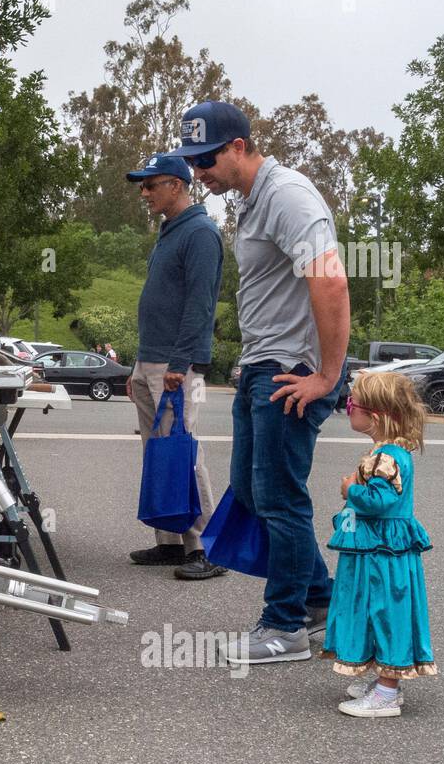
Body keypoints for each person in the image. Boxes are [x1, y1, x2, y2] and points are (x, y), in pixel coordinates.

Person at [166, 101, 351, 663]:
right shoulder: (252, 202)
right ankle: (321, 600)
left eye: (205, 159)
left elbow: (332, 281)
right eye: (192, 161)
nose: (198, 172)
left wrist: (326, 375)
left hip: (290, 370)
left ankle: (285, 624)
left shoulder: (287, 195)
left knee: (280, 498)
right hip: (261, 366)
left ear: (239, 147)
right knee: (252, 492)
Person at [123, 153, 225, 580]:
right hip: (151, 359)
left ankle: (206, 548)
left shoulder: (201, 233)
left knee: (184, 452)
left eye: (151, 185)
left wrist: (179, 364)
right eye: (143, 186)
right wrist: (137, 364)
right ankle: (170, 542)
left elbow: (199, 306)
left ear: (177, 186)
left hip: (175, 365)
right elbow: (159, 306)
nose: (144, 193)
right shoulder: (170, 232)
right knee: (157, 453)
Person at [323, 372, 435, 717]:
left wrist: (350, 491)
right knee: (378, 609)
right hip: (381, 548)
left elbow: (379, 502)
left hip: (382, 552)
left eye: (352, 402)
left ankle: (388, 691)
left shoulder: (387, 457)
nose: (347, 406)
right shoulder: (389, 452)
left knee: (385, 610)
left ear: (375, 415)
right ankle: (384, 680)